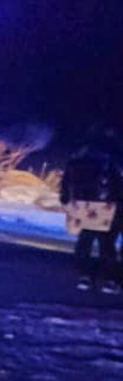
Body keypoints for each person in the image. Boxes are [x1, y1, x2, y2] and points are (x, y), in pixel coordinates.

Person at [60, 124, 123, 292]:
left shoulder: (82, 154)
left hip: (84, 203)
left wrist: (66, 197)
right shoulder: (114, 156)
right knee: (107, 243)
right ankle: (109, 279)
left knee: (85, 239)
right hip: (108, 205)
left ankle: (85, 276)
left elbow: (69, 175)